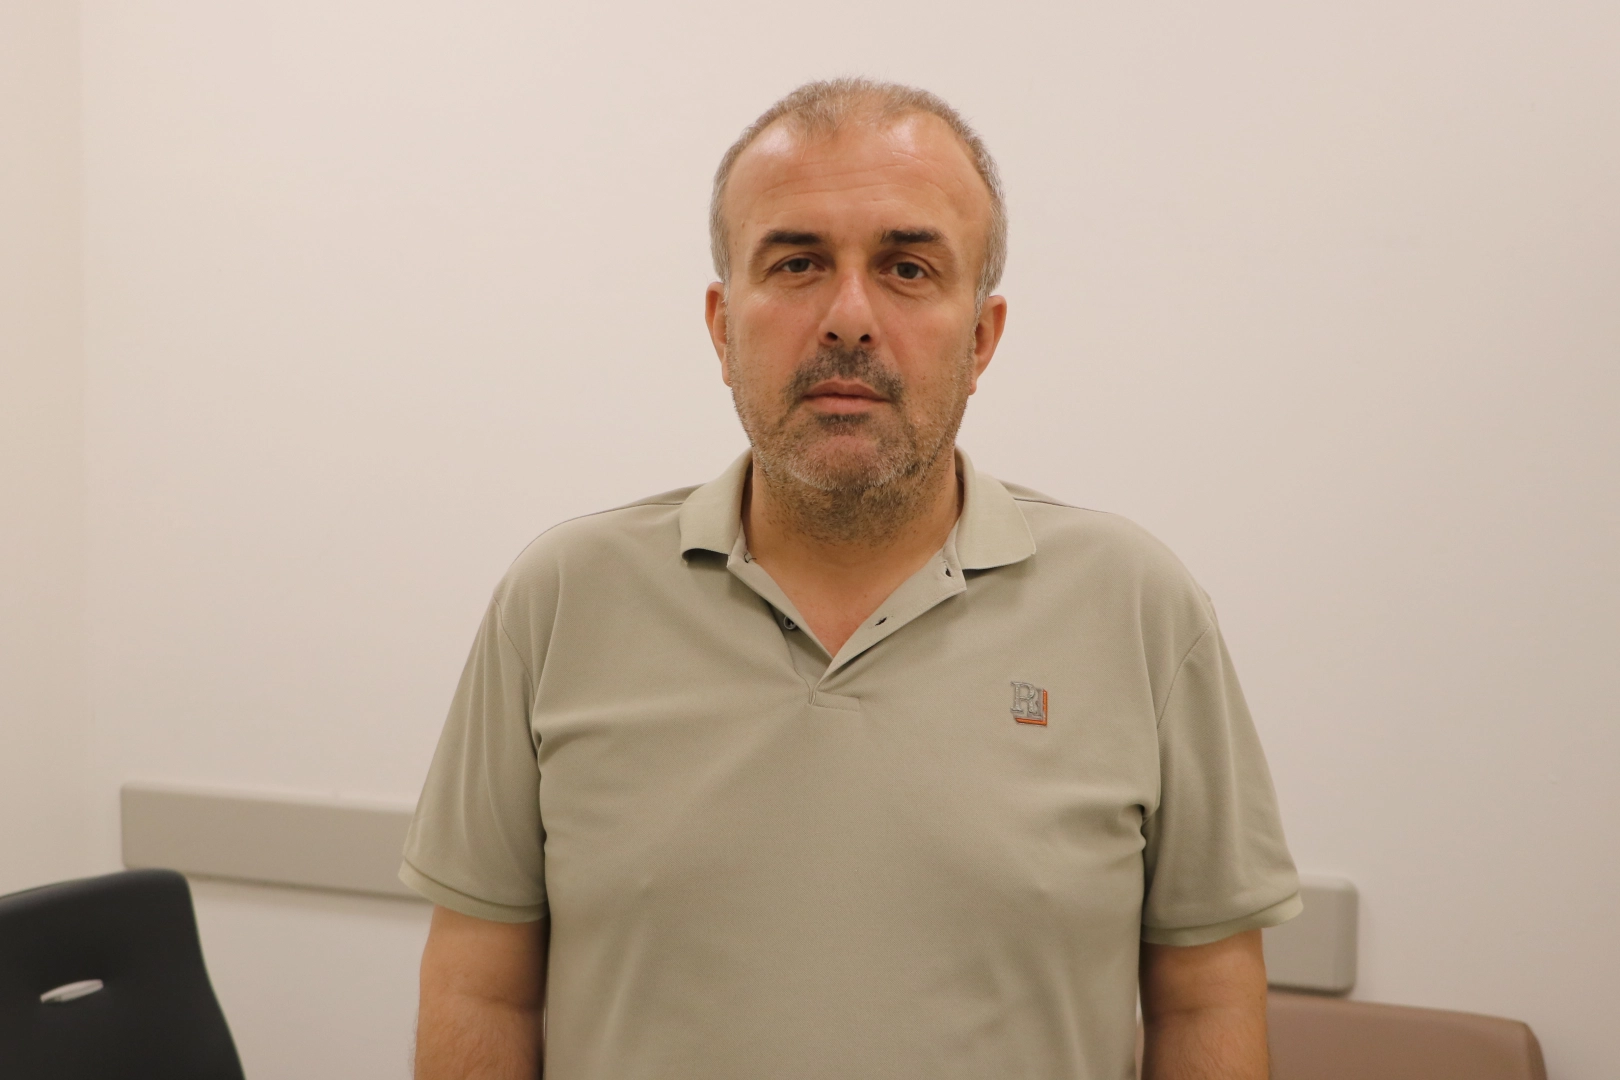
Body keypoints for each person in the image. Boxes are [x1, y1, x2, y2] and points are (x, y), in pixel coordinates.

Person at [401, 77, 1301, 1080]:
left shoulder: (1136, 606)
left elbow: (1206, 1000)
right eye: (797, 264)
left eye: (908, 268)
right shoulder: (561, 601)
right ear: (722, 326)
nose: (849, 318)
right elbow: (481, 991)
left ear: (981, 338)